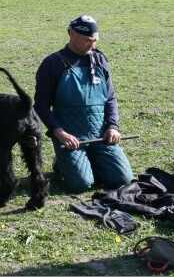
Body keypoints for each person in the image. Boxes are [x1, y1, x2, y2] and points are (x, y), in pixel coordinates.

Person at [34, 15, 134, 193]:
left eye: (95, 41)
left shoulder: (100, 59)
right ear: (72, 34)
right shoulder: (52, 64)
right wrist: (60, 133)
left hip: (100, 135)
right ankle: (63, 163)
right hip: (71, 138)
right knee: (81, 185)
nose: (92, 45)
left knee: (123, 180)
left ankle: (89, 161)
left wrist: (113, 127)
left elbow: (110, 98)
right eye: (88, 40)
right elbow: (41, 105)